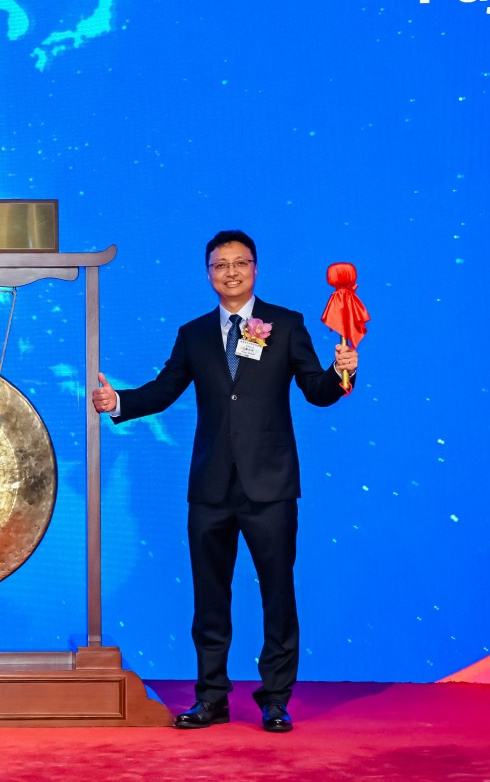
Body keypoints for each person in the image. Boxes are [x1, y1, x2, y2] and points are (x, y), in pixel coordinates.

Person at [91, 231, 357, 733]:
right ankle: (211, 698)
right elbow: (165, 389)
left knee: (278, 596)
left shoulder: (285, 324)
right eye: (220, 264)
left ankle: (275, 700)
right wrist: (118, 401)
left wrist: (342, 372)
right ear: (208, 273)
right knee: (209, 599)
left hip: (270, 487)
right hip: (211, 488)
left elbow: (317, 390)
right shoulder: (194, 333)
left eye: (240, 263)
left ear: (255, 268)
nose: (230, 272)